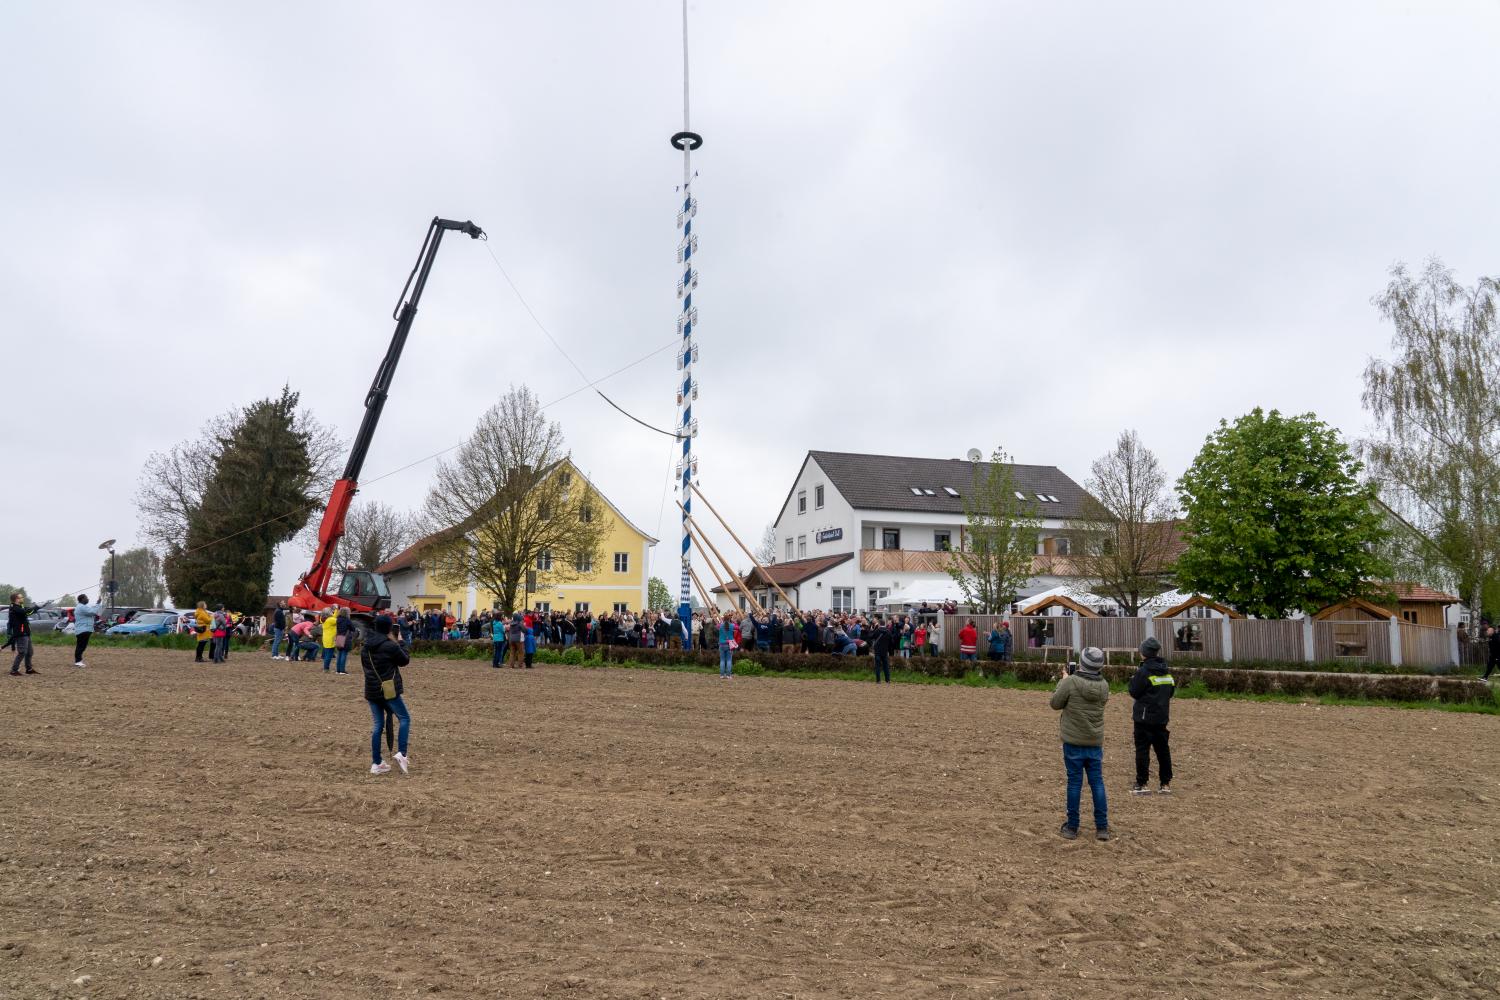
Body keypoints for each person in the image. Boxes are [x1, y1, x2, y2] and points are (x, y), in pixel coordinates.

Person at [1049, 646, 1111, 841]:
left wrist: (1063, 680)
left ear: (1081, 664)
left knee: (1074, 783)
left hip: (1073, 741)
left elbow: (1055, 703)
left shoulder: (1071, 682)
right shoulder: (1104, 685)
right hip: (1094, 741)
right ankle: (1102, 827)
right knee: (1097, 782)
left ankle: (1072, 827)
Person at [360, 615, 412, 775]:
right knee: (404, 718)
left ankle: (376, 763)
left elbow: (366, 667)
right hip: (388, 690)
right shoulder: (390, 645)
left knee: (378, 725)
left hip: (371, 690)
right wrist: (401, 642)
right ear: (389, 628)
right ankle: (402, 753)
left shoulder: (366, 646)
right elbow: (404, 660)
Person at [1129, 636, 1175, 794]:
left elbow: (1134, 692)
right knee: (1163, 750)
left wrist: (1132, 680)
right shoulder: (1166, 670)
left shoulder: (1143, 671)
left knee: (1142, 750)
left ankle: (1142, 784)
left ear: (1144, 653)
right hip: (1161, 718)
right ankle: (1165, 784)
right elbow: (1170, 692)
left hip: (1143, 719)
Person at [7, 592, 43, 675]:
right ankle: (14, 670)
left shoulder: (20, 607)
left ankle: (29, 669)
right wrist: (37, 606)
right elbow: (26, 612)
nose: (22, 598)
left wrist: (40, 606)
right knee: (22, 652)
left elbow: (30, 611)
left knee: (30, 652)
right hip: (21, 633)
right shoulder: (14, 608)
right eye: (21, 597)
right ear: (16, 599)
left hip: (26, 632)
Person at [72, 593, 105, 668]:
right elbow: (92, 612)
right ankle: (78, 661)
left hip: (85, 629)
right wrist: (98, 604)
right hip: (82, 629)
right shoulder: (81, 607)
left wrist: (97, 604)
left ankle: (78, 661)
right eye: (86, 598)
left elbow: (92, 610)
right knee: (81, 646)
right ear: (82, 599)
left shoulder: (83, 607)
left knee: (82, 646)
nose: (88, 599)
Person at [870, 616, 892, 683]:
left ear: (879, 624)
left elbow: (871, 637)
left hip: (878, 651)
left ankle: (878, 680)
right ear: (884, 623)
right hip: (885, 651)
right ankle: (888, 680)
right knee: (886, 666)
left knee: (878, 666)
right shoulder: (888, 631)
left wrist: (872, 630)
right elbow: (891, 641)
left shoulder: (877, 630)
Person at [334, 607, 354, 673]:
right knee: (344, 654)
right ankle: (342, 670)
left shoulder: (337, 619)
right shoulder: (347, 620)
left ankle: (338, 670)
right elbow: (353, 628)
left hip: (339, 637)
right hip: (345, 638)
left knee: (339, 654)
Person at [717, 614, 735, 679]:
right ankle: (728, 675)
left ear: (723, 619)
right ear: (729, 619)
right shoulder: (732, 625)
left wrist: (721, 622)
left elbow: (717, 626)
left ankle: (722, 675)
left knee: (722, 660)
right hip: (730, 644)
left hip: (721, 644)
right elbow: (738, 628)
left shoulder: (720, 625)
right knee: (729, 660)